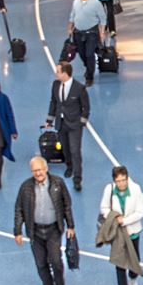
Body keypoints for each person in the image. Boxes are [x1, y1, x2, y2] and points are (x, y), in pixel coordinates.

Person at [14, 157, 75, 285]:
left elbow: (67, 205)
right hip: (35, 232)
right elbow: (19, 209)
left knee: (56, 261)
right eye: (35, 170)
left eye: (40, 169)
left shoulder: (58, 183)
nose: (38, 173)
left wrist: (70, 226)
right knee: (41, 263)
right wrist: (17, 231)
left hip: (54, 229)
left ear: (46, 168)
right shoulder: (26, 187)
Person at [99, 166, 143, 285]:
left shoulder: (136, 189)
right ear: (114, 181)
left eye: (123, 180)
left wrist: (124, 221)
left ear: (127, 178)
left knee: (135, 259)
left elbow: (139, 212)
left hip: (133, 231)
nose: (121, 184)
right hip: (118, 234)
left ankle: (133, 275)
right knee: (119, 263)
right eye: (118, 181)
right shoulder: (109, 190)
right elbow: (104, 208)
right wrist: (114, 217)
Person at [45, 62, 89, 191]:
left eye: (58, 71)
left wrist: (82, 122)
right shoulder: (55, 85)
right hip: (61, 123)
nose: (56, 73)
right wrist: (49, 120)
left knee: (75, 150)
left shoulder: (79, 88)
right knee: (65, 148)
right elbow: (53, 102)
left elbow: (86, 107)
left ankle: (77, 178)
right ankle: (69, 166)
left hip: (75, 124)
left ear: (65, 73)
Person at [66, 0, 106, 88]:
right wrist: (70, 28)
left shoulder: (96, 3)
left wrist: (102, 32)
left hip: (92, 33)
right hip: (78, 32)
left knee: (89, 54)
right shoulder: (76, 1)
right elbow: (72, 15)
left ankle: (89, 77)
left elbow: (102, 18)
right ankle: (88, 68)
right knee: (82, 54)